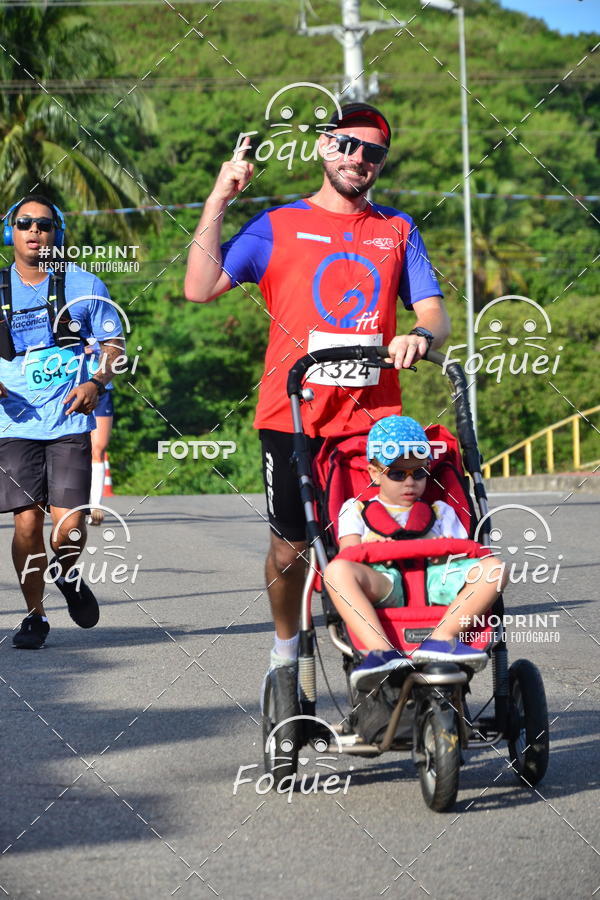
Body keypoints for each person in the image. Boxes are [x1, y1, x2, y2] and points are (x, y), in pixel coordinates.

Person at [184, 102, 451, 684]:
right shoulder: (276, 225)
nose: (359, 158)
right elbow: (199, 287)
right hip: (292, 417)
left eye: (373, 152)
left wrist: (421, 335)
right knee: (290, 550)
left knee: (373, 540)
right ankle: (287, 652)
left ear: (382, 162)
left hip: (373, 424)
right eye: (347, 145)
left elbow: (434, 311)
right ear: (323, 147)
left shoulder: (398, 228)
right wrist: (219, 198)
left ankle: (374, 657)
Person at [0, 194, 125, 649]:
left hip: (68, 421)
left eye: (44, 224)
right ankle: (35, 616)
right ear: (10, 233)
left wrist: (96, 381)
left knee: (68, 527)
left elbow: (114, 345)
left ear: (58, 234)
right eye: (24, 223)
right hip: (13, 424)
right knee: (26, 525)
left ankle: (67, 572)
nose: (34, 231)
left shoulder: (84, 284)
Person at [324, 416, 507, 690]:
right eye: (398, 474)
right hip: (384, 582)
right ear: (375, 473)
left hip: (436, 581)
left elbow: (465, 557)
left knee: (494, 568)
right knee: (336, 571)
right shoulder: (356, 510)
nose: (409, 482)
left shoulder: (441, 512)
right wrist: (375, 549)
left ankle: (443, 638)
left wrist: (445, 554)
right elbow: (349, 552)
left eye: (418, 473)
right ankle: (380, 651)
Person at [85, 340, 115, 526]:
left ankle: (96, 507)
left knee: (99, 448)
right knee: (75, 449)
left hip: (101, 389)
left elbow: (116, 350)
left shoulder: (103, 326)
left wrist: (94, 348)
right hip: (71, 388)